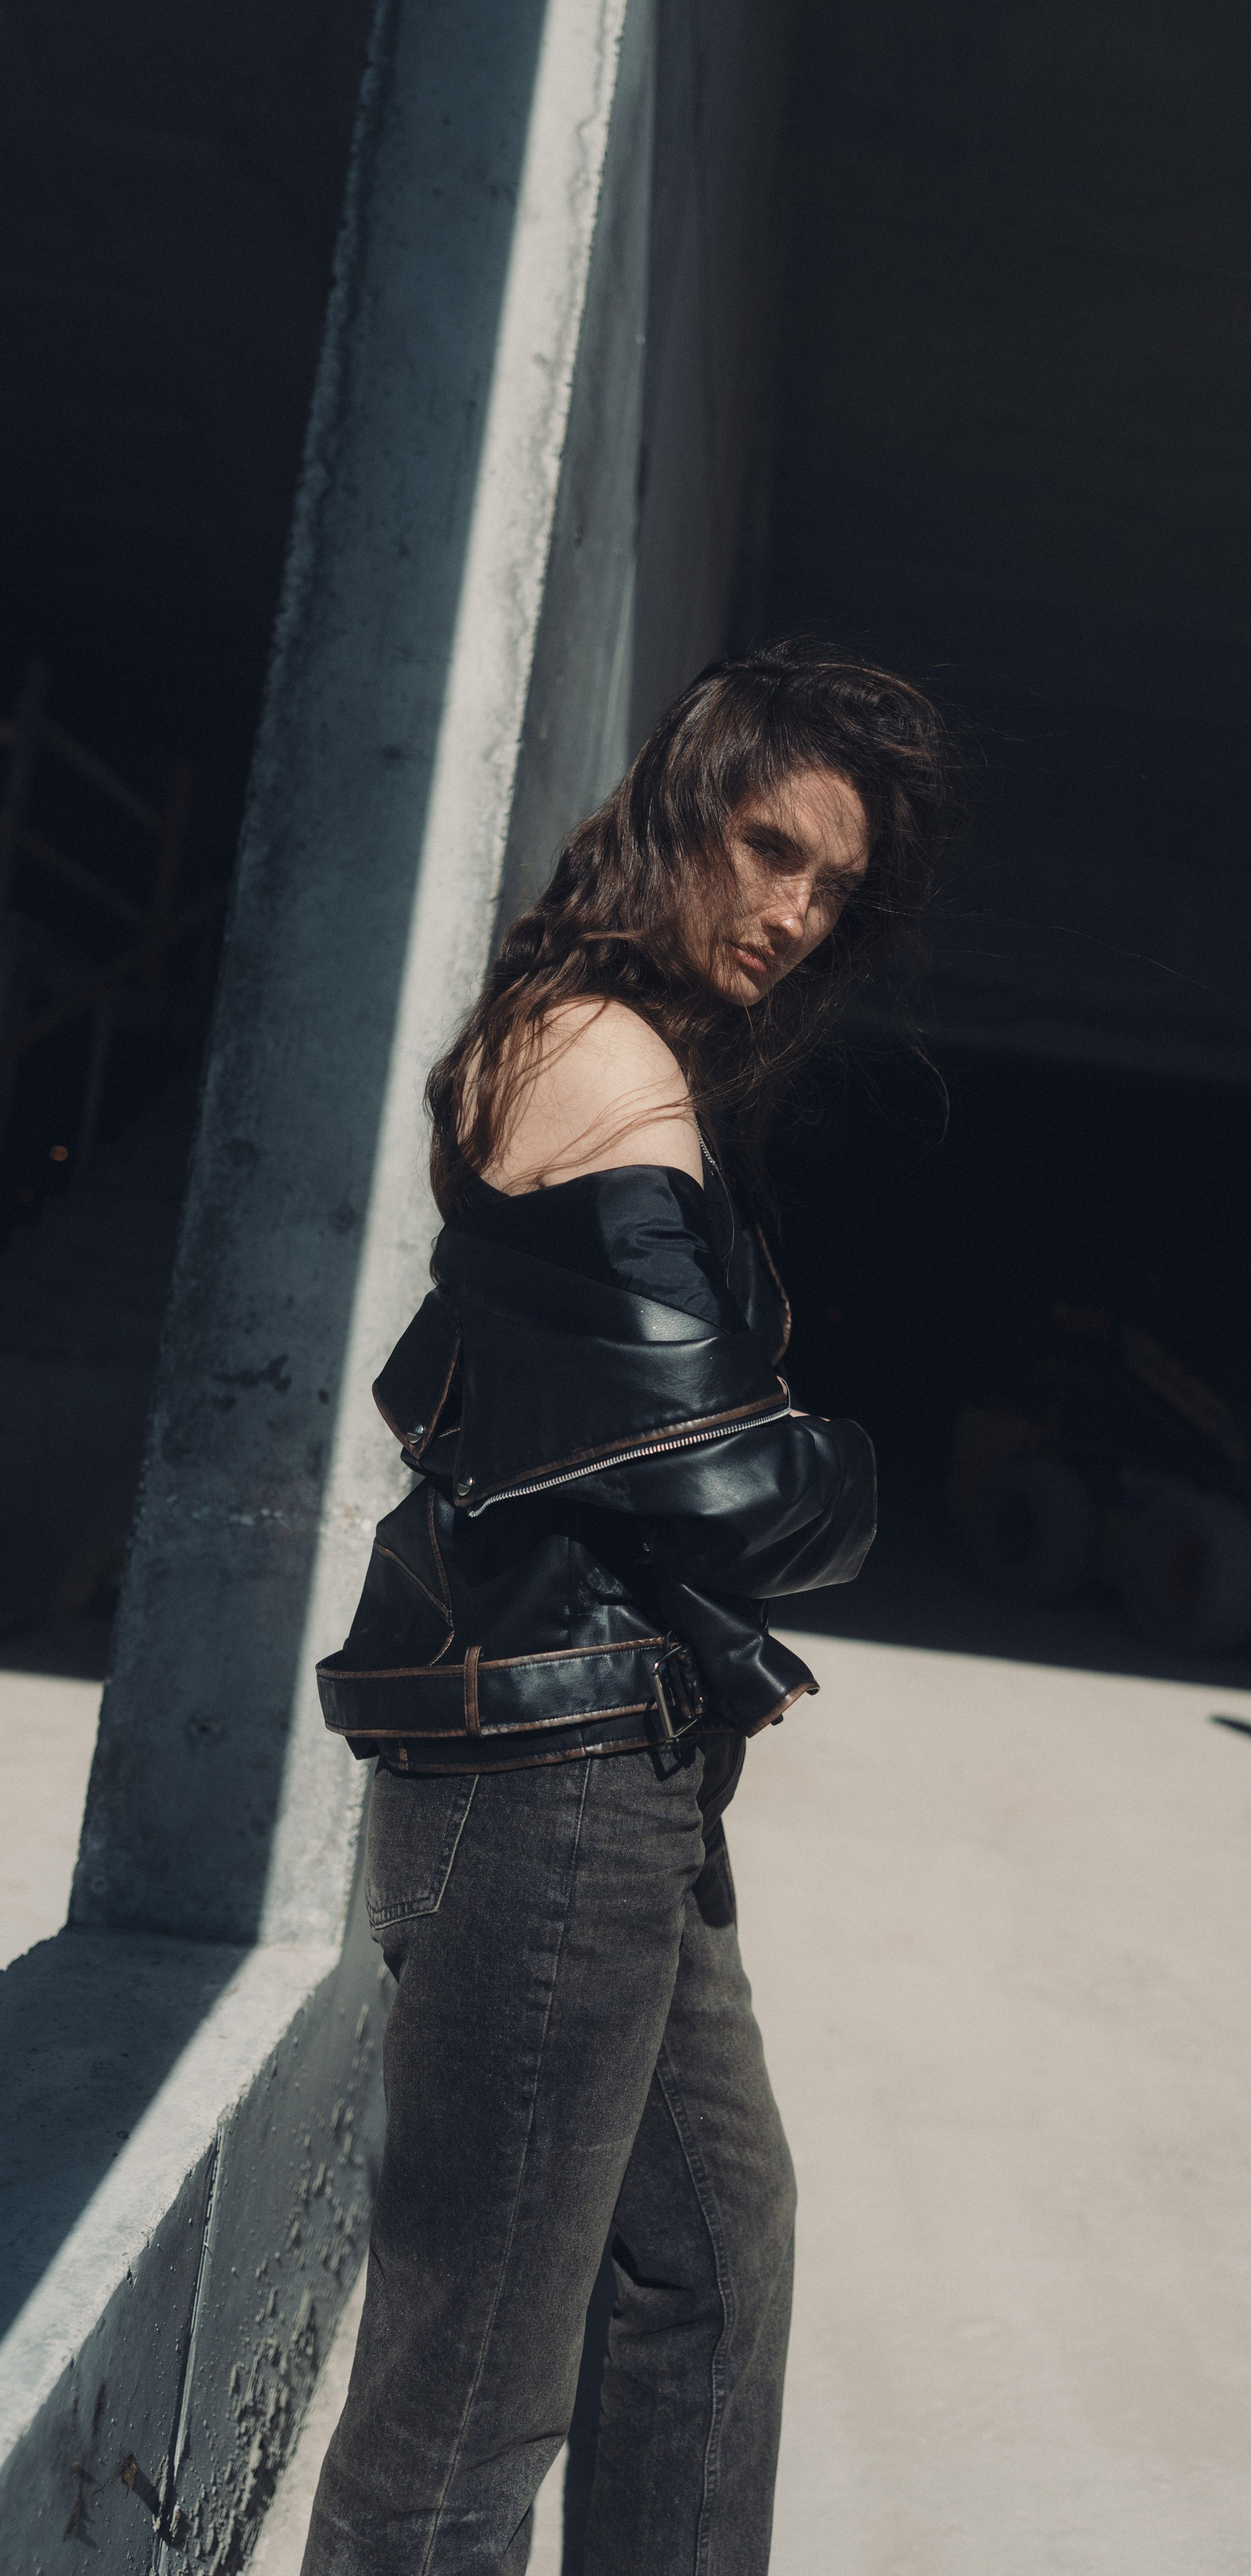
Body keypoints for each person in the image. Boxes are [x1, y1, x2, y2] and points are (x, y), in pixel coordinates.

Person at [301, 642, 959, 2575]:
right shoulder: (600, 1055)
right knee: (470, 2394)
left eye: (830, 889)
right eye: (768, 849)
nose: (789, 912)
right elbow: (730, 1482)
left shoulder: (584, 1040)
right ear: (682, 807)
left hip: (617, 1765)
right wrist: (848, 1467)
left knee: (708, 2257)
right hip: (551, 1784)